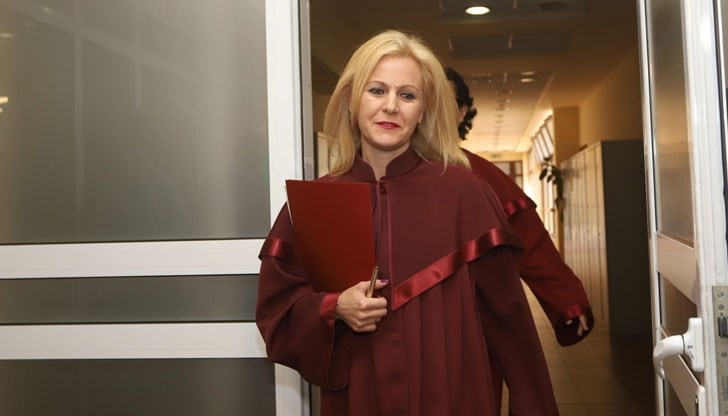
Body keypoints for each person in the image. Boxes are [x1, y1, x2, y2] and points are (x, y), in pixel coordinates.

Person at [256, 30, 558, 415]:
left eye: (408, 95)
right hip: (359, 397)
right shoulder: (316, 201)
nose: (391, 107)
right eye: (376, 90)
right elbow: (278, 310)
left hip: (453, 396)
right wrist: (334, 306)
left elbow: (510, 323)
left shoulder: (465, 192)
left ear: (423, 111)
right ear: (352, 100)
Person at [445, 66, 594, 402]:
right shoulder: (388, 172)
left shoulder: (482, 176)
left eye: (445, 100)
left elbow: (531, 241)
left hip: (471, 328)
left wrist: (566, 299)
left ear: (462, 112)